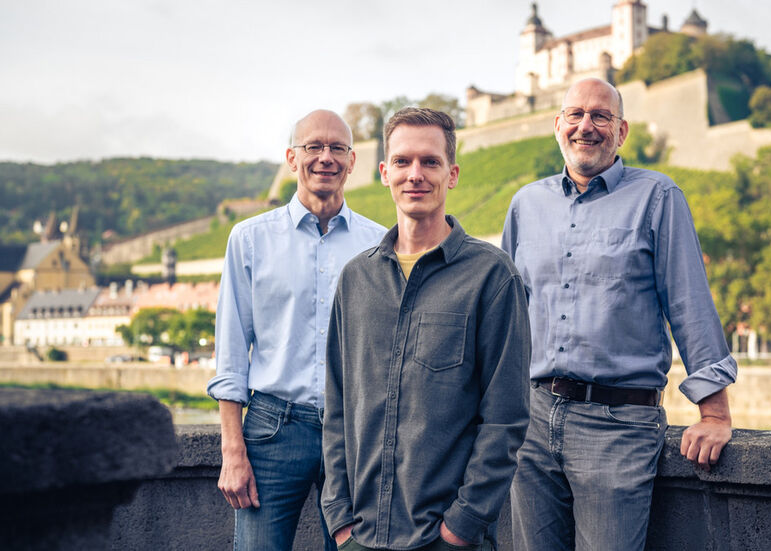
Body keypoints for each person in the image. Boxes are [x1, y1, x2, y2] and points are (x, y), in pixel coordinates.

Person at [502, 78, 738, 551]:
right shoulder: (526, 204)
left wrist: (713, 412)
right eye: (575, 115)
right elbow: (506, 315)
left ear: (621, 131)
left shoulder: (658, 196)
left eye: (600, 116)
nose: (585, 126)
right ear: (557, 125)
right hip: (531, 419)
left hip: (618, 425)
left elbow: (688, 301)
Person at [321, 107, 531, 551]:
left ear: (452, 174)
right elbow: (337, 405)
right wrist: (340, 518)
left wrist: (462, 524)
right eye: (402, 161)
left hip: (445, 540)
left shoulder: (492, 277)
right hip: (361, 536)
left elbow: (506, 417)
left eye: (430, 162)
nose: (415, 174)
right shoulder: (356, 279)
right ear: (383, 172)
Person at [207, 109, 386, 550]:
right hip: (272, 430)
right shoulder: (249, 239)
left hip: (354, 433)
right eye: (314, 147)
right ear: (292, 158)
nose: (325, 157)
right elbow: (230, 353)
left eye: (337, 148)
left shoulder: (379, 244)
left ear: (351, 162)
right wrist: (232, 451)